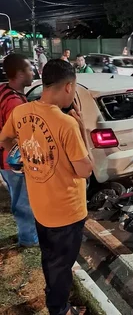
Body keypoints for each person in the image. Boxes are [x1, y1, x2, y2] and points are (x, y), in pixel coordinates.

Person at [0, 59, 93, 315]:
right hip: (67, 212)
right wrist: (83, 127)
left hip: (41, 208)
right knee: (61, 266)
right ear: (68, 87)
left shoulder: (21, 111)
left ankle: (55, 298)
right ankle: (59, 309)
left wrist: (22, 161)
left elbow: (5, 139)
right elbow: (85, 170)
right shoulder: (67, 124)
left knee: (50, 259)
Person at [0, 53, 38, 247]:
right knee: (24, 201)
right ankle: (29, 239)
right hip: (12, 161)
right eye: (30, 69)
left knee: (19, 197)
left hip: (4, 160)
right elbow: (12, 137)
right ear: (20, 74)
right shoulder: (15, 103)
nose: (33, 72)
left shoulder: (3, 90)